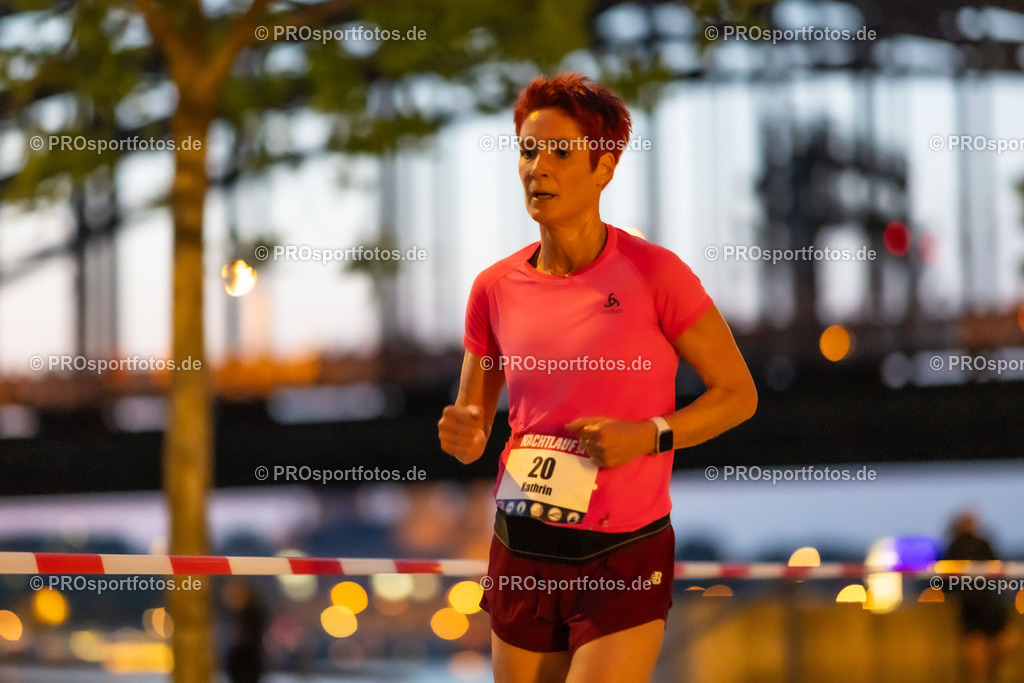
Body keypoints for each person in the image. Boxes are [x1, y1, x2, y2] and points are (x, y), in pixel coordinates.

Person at [437, 73, 756, 683]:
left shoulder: (656, 274)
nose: (539, 168)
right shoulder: (493, 289)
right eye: (529, 151)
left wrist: (649, 435)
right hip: (522, 543)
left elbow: (738, 394)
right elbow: (472, 424)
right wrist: (463, 434)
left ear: (604, 167)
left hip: (624, 551)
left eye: (560, 152)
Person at [943, 511, 1011, 683]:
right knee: (993, 644)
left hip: (970, 603)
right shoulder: (982, 543)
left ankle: (980, 678)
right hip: (989, 601)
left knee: (975, 645)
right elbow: (998, 571)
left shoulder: (954, 545)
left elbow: (945, 581)